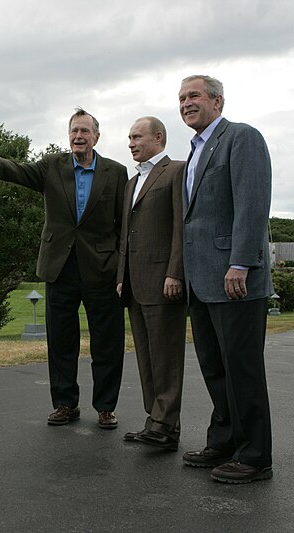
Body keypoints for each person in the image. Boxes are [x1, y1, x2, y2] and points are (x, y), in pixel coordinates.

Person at [0, 109, 127, 428]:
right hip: (59, 267)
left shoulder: (116, 172)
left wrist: (120, 266)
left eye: (85, 131)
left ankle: (105, 407)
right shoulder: (52, 167)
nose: (78, 136)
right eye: (74, 130)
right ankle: (65, 404)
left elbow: (122, 225)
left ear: (96, 137)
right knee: (60, 340)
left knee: (107, 341)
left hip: (101, 268)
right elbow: (21, 172)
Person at [178, 75, 274, 483]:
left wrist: (241, 263)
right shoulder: (194, 152)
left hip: (235, 278)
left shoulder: (242, 137)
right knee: (215, 368)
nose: (186, 103)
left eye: (194, 95)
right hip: (201, 282)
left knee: (242, 369)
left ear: (217, 100)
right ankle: (224, 440)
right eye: (181, 98)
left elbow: (253, 204)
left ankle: (255, 456)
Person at [116, 117, 187, 451]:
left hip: (163, 282)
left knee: (165, 357)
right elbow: (125, 236)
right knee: (145, 356)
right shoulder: (132, 183)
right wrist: (121, 277)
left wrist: (175, 272)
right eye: (129, 137)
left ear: (159, 137)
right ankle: (153, 421)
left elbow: (180, 227)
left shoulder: (177, 171)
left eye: (137, 137)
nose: (131, 143)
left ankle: (167, 426)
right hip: (134, 283)